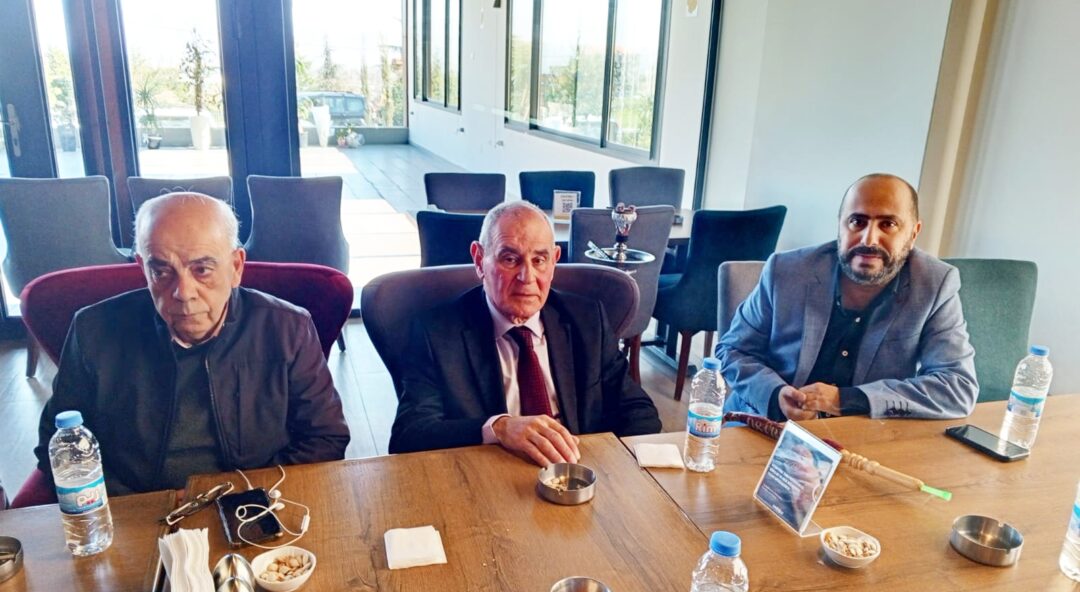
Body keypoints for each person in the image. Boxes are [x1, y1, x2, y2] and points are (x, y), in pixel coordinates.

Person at [32, 192, 350, 495]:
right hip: (134, 506)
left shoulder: (287, 328)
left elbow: (325, 438)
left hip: (252, 502)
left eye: (202, 270)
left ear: (236, 267)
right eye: (161, 271)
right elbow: (58, 444)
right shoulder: (93, 331)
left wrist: (236, 494)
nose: (183, 292)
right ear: (142, 268)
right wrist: (132, 506)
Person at [389, 200, 661, 465]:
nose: (527, 277)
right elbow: (409, 435)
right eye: (510, 259)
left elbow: (639, 411)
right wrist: (498, 428)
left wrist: (610, 470)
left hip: (577, 471)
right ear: (480, 260)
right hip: (489, 475)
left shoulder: (588, 319)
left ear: (554, 261)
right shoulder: (436, 333)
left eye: (539, 260)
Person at [717, 173, 978, 421]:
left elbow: (957, 386)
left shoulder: (934, 284)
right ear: (840, 225)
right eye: (857, 222)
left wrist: (846, 400)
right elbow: (733, 350)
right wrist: (775, 395)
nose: (869, 239)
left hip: (861, 434)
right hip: (766, 423)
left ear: (913, 233)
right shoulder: (785, 271)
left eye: (888, 224)